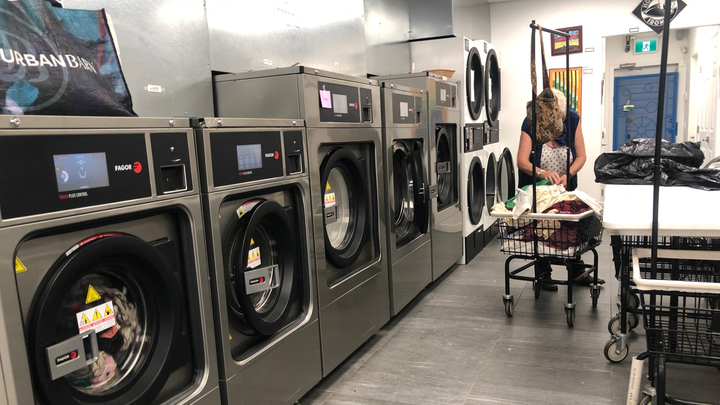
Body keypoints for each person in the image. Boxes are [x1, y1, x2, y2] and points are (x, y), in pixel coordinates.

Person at [516, 88, 604, 291]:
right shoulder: (531, 121)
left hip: (564, 185)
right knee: (542, 228)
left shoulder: (572, 119)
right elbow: (521, 161)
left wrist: (568, 175)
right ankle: (543, 273)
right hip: (538, 188)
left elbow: (581, 156)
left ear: (562, 113)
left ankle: (577, 271)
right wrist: (543, 173)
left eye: (557, 118)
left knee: (569, 227)